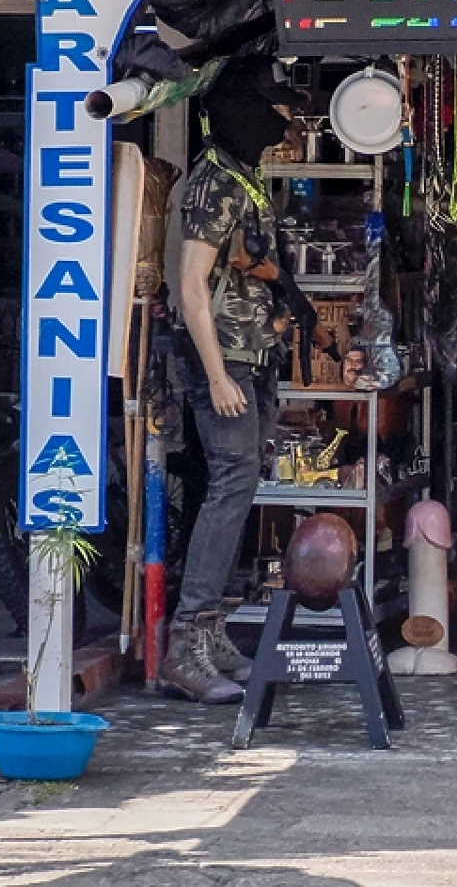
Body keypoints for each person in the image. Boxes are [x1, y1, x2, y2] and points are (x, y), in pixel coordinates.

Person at [159, 55, 307, 704]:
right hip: (224, 362)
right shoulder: (214, 182)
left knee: (240, 488)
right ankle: (185, 645)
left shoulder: (242, 177)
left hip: (252, 356)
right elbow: (191, 284)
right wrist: (217, 373)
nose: (283, 117)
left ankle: (212, 629)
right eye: (273, 107)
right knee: (229, 485)